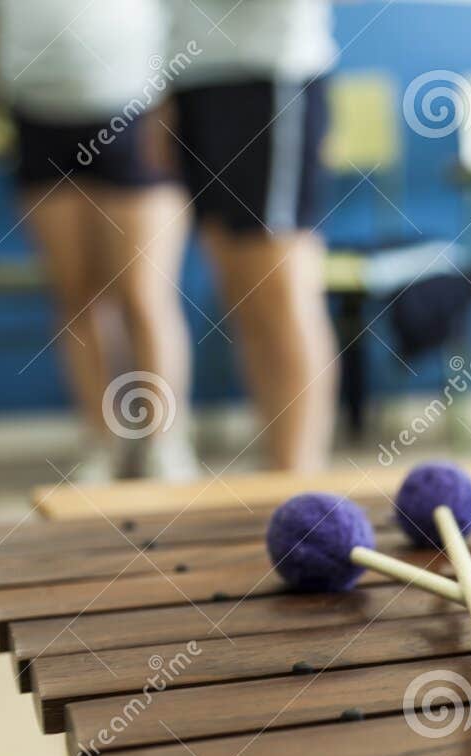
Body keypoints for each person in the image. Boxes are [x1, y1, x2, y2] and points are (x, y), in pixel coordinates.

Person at [0, 0, 198, 482]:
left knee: (143, 294)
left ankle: (165, 442)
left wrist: (178, 105)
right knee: (76, 296)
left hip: (138, 109)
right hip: (37, 117)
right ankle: (102, 443)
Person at [166, 0, 339, 472]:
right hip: (191, 79)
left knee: (279, 287)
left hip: (271, 74)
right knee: (242, 292)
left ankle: (298, 477)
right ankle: (279, 470)